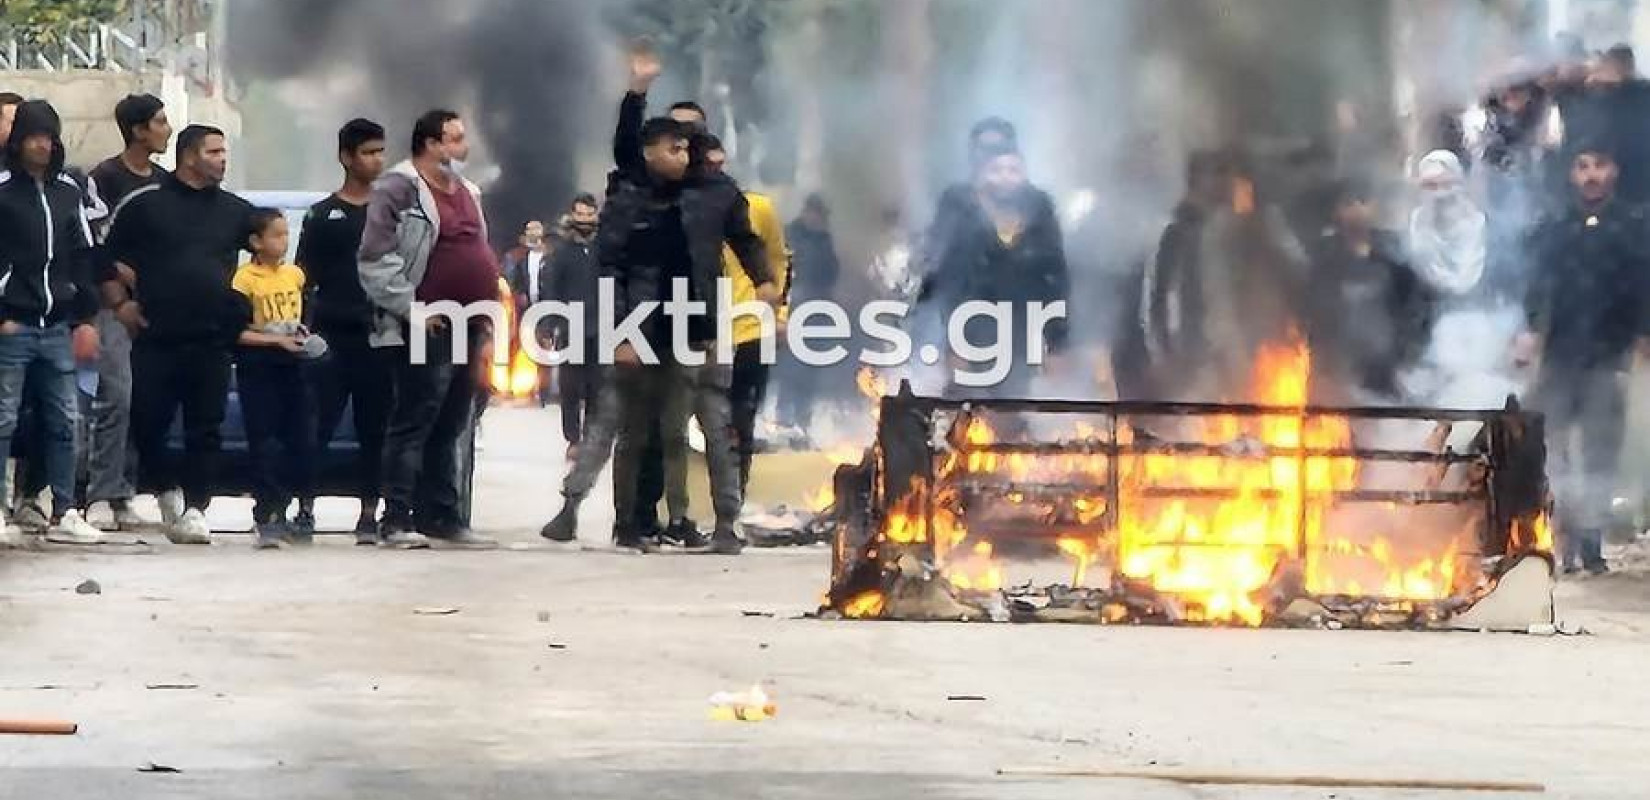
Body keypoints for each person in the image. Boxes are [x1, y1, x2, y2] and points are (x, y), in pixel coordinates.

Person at [540, 118, 774, 554]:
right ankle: (602, 516)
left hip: (695, 328)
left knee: (698, 429)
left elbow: (745, 241)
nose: (684, 157)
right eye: (675, 148)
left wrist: (763, 281)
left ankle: (719, 523)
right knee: (618, 427)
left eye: (688, 149)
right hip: (640, 326)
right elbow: (611, 268)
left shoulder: (716, 194)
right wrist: (623, 333)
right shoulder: (633, 196)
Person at [102, 124, 252, 545]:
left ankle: (197, 509)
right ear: (189, 156)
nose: (223, 159)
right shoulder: (145, 204)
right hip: (156, 337)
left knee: (206, 428)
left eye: (225, 152)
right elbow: (102, 256)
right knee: (148, 422)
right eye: (215, 151)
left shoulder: (236, 210)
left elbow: (270, 255)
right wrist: (120, 305)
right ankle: (166, 491)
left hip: (212, 340)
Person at [358, 109, 498, 550]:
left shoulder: (468, 191)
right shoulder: (399, 188)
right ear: (431, 144)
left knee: (454, 421)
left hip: (468, 321)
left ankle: (443, 516)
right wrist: (411, 308)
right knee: (415, 420)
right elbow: (375, 258)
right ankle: (396, 518)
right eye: (455, 139)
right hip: (427, 325)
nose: (464, 147)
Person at [1518, 142, 1650, 575]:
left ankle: (1591, 546)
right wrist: (1529, 331)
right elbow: (1536, 285)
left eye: (1600, 164)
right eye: (1583, 166)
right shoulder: (1554, 227)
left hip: (1608, 355)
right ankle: (1559, 537)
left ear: (1614, 170)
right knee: (1551, 449)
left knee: (1599, 452)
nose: (1592, 175)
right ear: (1572, 173)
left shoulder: (1634, 227)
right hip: (1559, 355)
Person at [0, 100, 106, 547]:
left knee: (65, 420)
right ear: (19, 140)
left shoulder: (68, 192)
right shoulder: (2, 191)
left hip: (57, 326)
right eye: (34, 136)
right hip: (13, 325)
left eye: (49, 136)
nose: (43, 145)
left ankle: (65, 509)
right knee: (3, 419)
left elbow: (83, 257)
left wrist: (84, 317)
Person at [81, 93, 172, 531]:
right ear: (138, 130)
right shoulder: (105, 178)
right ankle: (99, 493)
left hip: (153, 309)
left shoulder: (165, 181)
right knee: (115, 397)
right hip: (112, 309)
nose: (166, 129)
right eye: (160, 121)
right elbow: (94, 247)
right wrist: (119, 301)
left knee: (144, 401)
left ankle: (125, 493)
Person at [918, 143, 1070, 400]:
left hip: (1023, 322)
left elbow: (1055, 272)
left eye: (1013, 170)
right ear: (981, 175)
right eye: (996, 170)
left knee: (1016, 402)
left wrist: (1056, 337)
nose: (1005, 177)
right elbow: (944, 271)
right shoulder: (960, 211)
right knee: (963, 400)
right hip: (970, 321)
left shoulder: (1041, 210)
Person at [300, 118, 390, 544]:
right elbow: (304, 277)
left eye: (380, 151)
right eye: (368, 152)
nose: (377, 160)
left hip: (379, 335)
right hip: (332, 336)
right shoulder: (322, 215)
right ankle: (303, 507)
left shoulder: (392, 215)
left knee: (376, 427)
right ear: (346, 157)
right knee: (316, 424)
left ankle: (370, 512)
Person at [704, 138, 789, 499]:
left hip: (752, 326)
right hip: (698, 327)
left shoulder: (758, 208)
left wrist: (780, 310)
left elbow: (778, 259)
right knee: (700, 415)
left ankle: (733, 498)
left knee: (743, 415)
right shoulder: (681, 206)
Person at [233, 209, 322, 549]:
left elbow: (304, 313)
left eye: (286, 234)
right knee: (265, 440)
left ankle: (299, 507)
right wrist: (274, 340)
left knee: (299, 438)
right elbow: (236, 332)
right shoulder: (244, 280)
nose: (283, 242)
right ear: (256, 241)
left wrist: (301, 334)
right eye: (275, 235)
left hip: (294, 367)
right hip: (259, 367)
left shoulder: (295, 275)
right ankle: (267, 513)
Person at [1307, 178, 1434, 399]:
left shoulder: (1394, 251)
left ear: (1373, 207)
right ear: (1336, 212)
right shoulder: (1325, 260)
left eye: (1362, 201)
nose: (1357, 209)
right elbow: (1314, 316)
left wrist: (1407, 356)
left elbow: (1417, 305)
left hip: (1391, 373)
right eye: (1348, 203)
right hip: (1342, 377)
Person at [1141, 150, 1230, 390]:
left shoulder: (1221, 228)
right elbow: (1156, 299)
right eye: (1217, 174)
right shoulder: (1175, 231)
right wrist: (1164, 354)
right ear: (1198, 179)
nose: (1224, 183)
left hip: (1220, 356)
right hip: (1188, 355)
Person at [545, 193, 601, 461]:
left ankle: (590, 438)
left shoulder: (605, 250)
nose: (585, 220)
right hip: (570, 329)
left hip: (602, 330)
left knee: (596, 388)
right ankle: (573, 438)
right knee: (570, 389)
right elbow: (552, 291)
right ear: (572, 216)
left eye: (589, 215)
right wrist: (547, 326)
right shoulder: (562, 253)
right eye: (580, 215)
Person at [777, 193, 839, 432]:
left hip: (818, 310)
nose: (820, 220)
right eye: (817, 214)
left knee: (811, 367)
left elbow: (832, 272)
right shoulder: (789, 236)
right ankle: (783, 418)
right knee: (789, 366)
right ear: (807, 212)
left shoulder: (824, 240)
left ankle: (803, 418)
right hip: (792, 309)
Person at [1408, 150, 1487, 299]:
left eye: (1446, 184)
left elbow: (1467, 279)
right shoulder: (1417, 222)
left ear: (1459, 184)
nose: (1440, 194)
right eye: (1430, 185)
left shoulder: (1476, 223)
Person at [502, 219, 555, 407]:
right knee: (516, 345)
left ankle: (543, 393)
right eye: (529, 230)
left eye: (536, 229)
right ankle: (507, 386)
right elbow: (513, 280)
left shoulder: (551, 258)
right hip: (525, 309)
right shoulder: (521, 259)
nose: (533, 233)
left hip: (545, 309)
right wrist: (518, 294)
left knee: (544, 348)